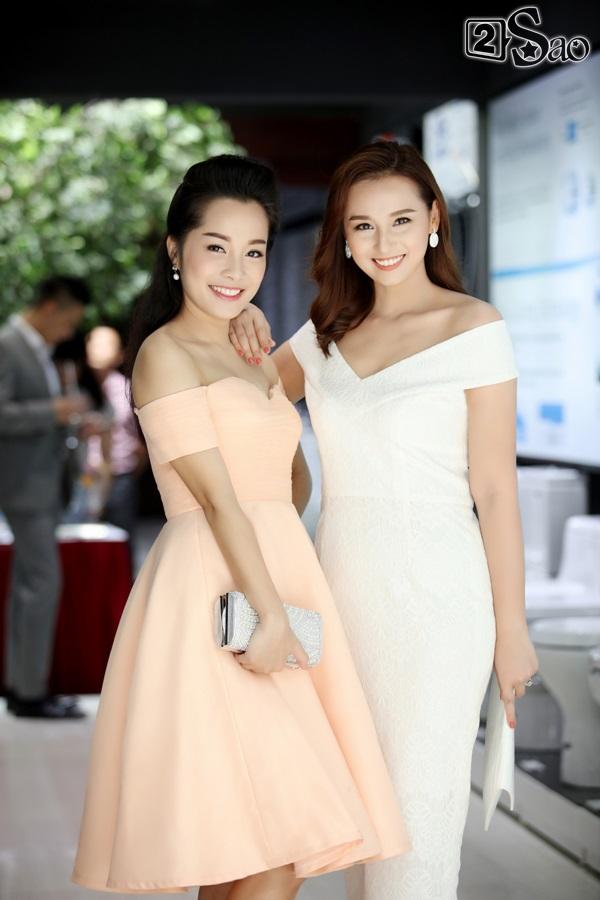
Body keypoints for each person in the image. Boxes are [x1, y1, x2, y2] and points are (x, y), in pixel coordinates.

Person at [70, 154, 410, 899]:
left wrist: (281, 548)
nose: (236, 270)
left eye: (254, 252)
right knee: (273, 842)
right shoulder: (164, 354)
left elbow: (292, 480)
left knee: (247, 839)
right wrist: (272, 617)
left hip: (272, 575)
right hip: (216, 595)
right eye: (216, 247)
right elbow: (220, 502)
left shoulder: (248, 348)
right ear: (175, 250)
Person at [228, 140, 539, 900]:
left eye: (401, 219)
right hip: (339, 592)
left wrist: (513, 629)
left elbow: (496, 489)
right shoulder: (324, 334)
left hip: (439, 602)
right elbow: (239, 402)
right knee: (357, 822)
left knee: (415, 823)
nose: (383, 241)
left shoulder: (473, 326)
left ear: (434, 219)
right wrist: (239, 322)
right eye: (362, 225)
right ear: (341, 236)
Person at [0, 276, 92, 719]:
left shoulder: (35, 350)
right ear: (51, 307)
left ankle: (22, 685)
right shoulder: (9, 344)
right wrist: (53, 412)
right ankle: (30, 691)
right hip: (24, 486)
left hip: (41, 483)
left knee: (29, 586)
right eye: (69, 321)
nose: (69, 332)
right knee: (41, 584)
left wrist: (68, 421)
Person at [85, 324, 147, 542]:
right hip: (87, 477)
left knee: (120, 540)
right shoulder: (78, 387)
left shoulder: (126, 389)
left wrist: (132, 470)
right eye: (95, 343)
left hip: (121, 474)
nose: (99, 349)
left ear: (120, 354)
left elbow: (143, 439)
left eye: (107, 344)